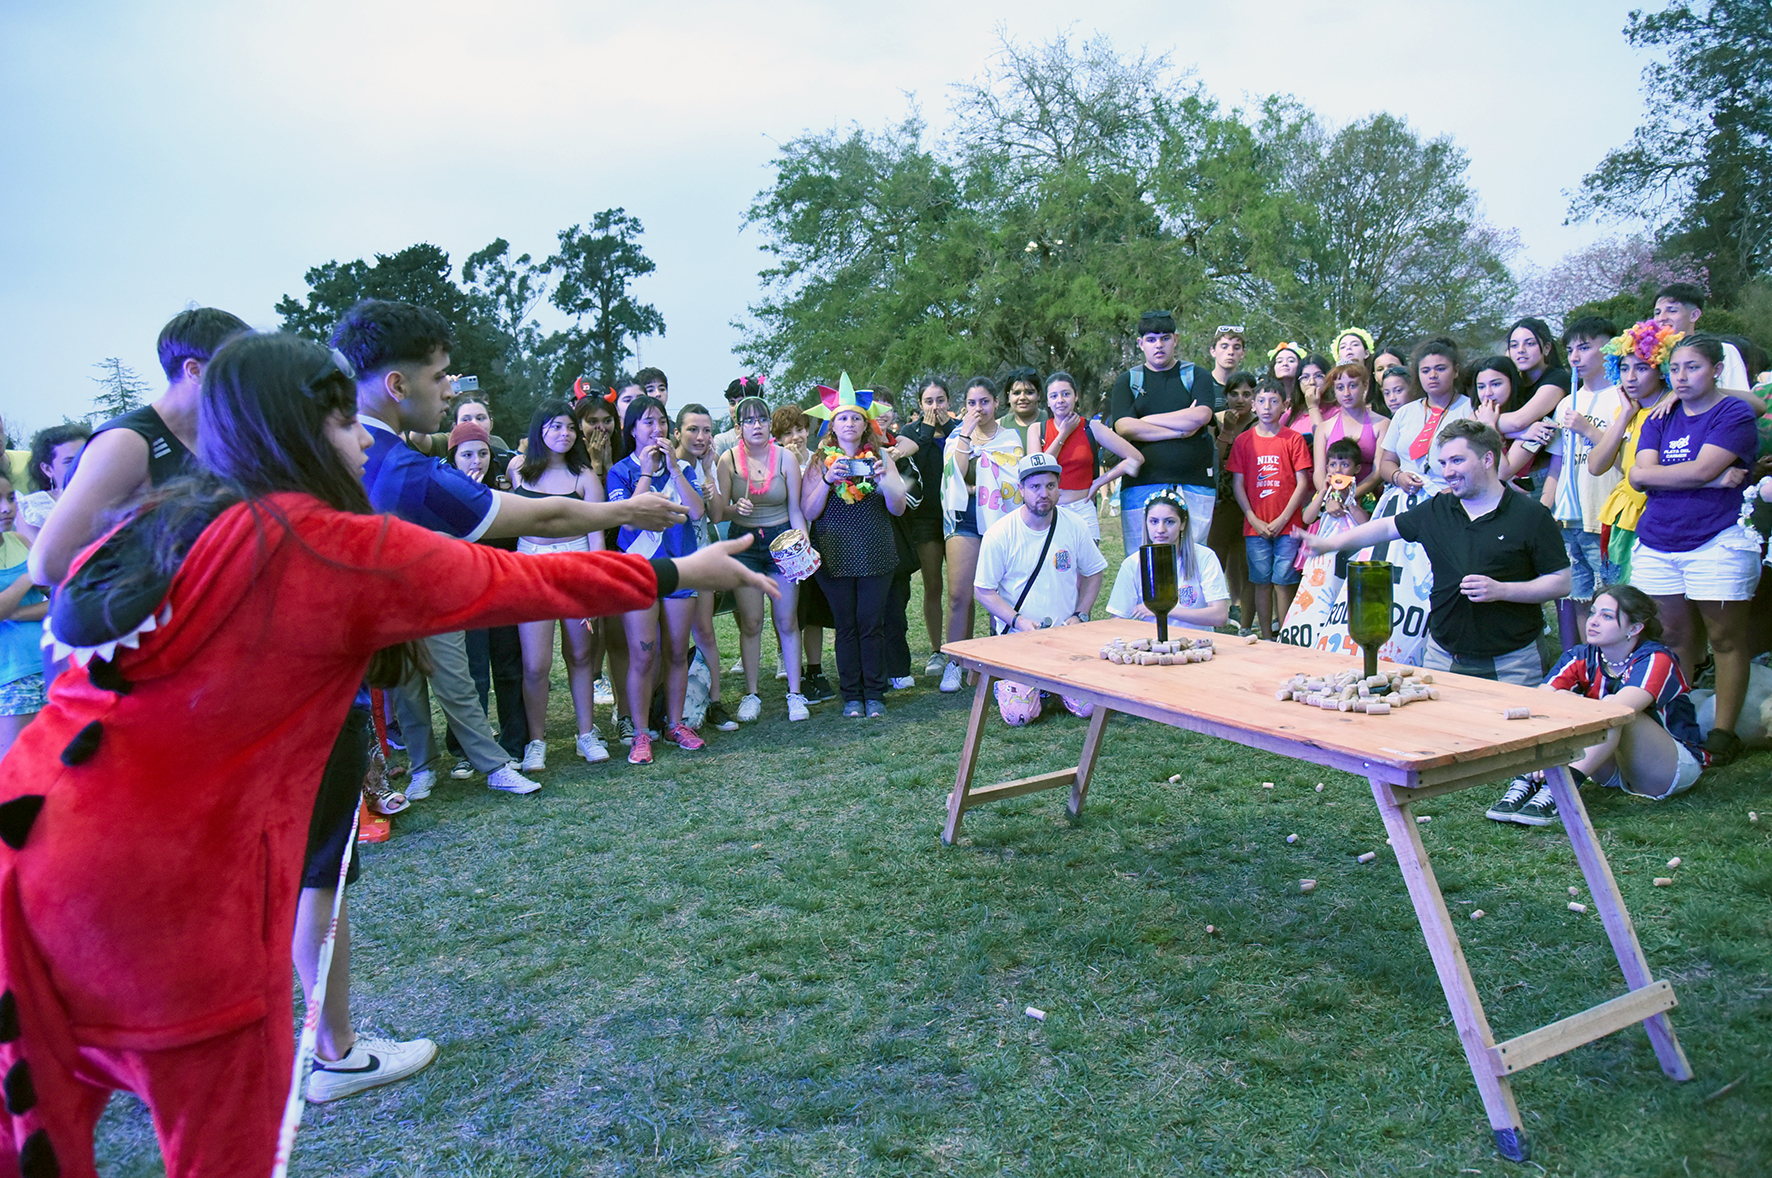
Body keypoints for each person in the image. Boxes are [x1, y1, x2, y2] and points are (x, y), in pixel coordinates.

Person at [0, 331, 774, 1178]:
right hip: (162, 900)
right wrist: (674, 574)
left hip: (24, 859)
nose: (364, 438)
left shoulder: (153, 520)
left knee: (36, 1136)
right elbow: (519, 583)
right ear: (293, 432)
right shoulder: (328, 546)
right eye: (342, 424)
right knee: (218, 1142)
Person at [1310, 419, 1571, 683]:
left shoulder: (1530, 515)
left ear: (1488, 459)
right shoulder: (1439, 509)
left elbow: (1561, 583)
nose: (1447, 472)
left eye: (1457, 461)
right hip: (1441, 657)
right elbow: (1386, 528)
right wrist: (1329, 544)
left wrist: (1503, 590)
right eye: (1443, 463)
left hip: (1514, 662)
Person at [29, 308, 249, 585]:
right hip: (128, 621)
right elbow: (47, 563)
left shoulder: (220, 437)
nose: (250, 382)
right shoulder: (126, 442)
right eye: (241, 369)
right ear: (195, 370)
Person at [1627, 335, 1761, 765]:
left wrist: (1684, 475)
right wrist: (1704, 478)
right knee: (1672, 636)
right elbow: (1635, 476)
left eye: (1693, 367)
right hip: (1659, 538)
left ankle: (1723, 733)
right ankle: (1678, 726)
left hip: (1717, 537)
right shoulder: (1660, 415)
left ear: (1717, 369)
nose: (1681, 377)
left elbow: (1695, 466)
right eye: (1675, 369)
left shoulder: (1733, 412)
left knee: (1724, 638)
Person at [1483, 584, 1710, 827]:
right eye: (1592, 613)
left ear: (1634, 628)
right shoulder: (1581, 654)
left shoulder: (1656, 658)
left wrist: (1568, 701)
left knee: (1613, 713)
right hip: (1612, 768)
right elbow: (1541, 701)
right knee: (1553, 710)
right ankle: (1526, 782)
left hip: (1668, 767)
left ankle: (1560, 790)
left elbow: (1616, 712)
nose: (1593, 621)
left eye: (1607, 616)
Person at [801, 376, 910, 717]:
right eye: (843, 418)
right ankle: (851, 695)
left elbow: (898, 507)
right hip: (834, 555)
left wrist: (882, 480)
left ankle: (874, 693)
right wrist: (827, 481)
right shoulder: (819, 461)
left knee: (871, 623)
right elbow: (808, 511)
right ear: (832, 425)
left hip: (875, 552)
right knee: (846, 626)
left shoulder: (880, 457)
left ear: (866, 425)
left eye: (856, 418)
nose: (850, 423)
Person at [509, 401, 609, 769]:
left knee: (581, 654)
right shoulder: (518, 470)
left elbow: (597, 533)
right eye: (554, 427)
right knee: (535, 664)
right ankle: (536, 741)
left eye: (569, 427)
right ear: (539, 431)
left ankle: (586, 734)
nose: (564, 434)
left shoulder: (585, 476)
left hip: (577, 566)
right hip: (531, 568)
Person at [974, 452, 1108, 725]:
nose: (1043, 494)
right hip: (1018, 640)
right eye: (1034, 487)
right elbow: (983, 590)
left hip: (1066, 640)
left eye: (1050, 486)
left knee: (1089, 708)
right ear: (1021, 489)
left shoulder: (1074, 525)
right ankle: (1016, 684)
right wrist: (1017, 621)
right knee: (1019, 716)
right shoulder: (1000, 534)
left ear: (1059, 488)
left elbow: (1094, 572)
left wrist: (1080, 615)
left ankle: (1054, 687)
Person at [607, 396, 706, 761]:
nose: (657, 429)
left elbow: (696, 511)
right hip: (639, 571)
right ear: (632, 430)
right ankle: (640, 732)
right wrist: (647, 472)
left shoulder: (682, 466)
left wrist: (676, 470)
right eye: (648, 423)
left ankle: (676, 723)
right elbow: (630, 519)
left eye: (662, 422)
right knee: (643, 653)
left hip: (680, 568)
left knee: (678, 650)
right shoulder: (621, 471)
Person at [718, 395, 812, 722]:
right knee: (751, 621)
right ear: (738, 426)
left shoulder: (785, 458)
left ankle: (796, 694)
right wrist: (733, 509)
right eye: (749, 420)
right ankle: (751, 693)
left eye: (761, 419)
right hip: (744, 545)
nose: (756, 425)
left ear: (768, 424)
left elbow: (795, 509)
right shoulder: (727, 460)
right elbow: (718, 513)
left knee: (786, 619)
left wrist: (804, 545)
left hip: (782, 540)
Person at [938, 377, 1024, 692]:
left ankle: (998, 663)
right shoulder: (957, 437)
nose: (979, 409)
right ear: (965, 407)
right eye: (972, 403)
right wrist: (964, 433)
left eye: (984, 402)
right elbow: (954, 475)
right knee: (960, 594)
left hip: (1002, 519)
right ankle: (955, 662)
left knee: (998, 592)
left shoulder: (1009, 438)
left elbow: (1013, 481)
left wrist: (977, 486)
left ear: (996, 403)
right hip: (965, 520)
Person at [446, 421, 525, 765]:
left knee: (508, 669)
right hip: (467, 597)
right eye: (466, 455)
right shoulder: (442, 496)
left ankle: (513, 744)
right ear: (453, 459)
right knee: (473, 673)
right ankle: (466, 750)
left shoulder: (501, 495)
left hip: (505, 594)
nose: (475, 461)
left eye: (482, 453)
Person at [1540, 317, 1625, 632]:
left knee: (1612, 600)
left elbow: (1626, 461)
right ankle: (1587, 667)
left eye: (1585, 347)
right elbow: (1558, 463)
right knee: (1579, 598)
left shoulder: (1622, 398)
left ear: (1609, 349)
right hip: (1569, 520)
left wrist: (1588, 429)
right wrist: (1548, 506)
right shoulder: (1565, 404)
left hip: (1606, 518)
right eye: (1571, 349)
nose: (1575, 356)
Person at [1109, 310, 1214, 555]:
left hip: (1194, 482)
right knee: (1143, 560)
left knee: (1192, 558)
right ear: (1140, 343)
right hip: (1141, 484)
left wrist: (1145, 421)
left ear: (1175, 339)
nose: (1159, 345)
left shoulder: (1196, 375)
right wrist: (1180, 430)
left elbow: (1201, 416)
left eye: (1165, 338)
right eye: (1152, 339)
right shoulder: (1128, 381)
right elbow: (1124, 427)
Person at [1591, 320, 1683, 583]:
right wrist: (1624, 418)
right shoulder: (1624, 412)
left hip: (1657, 515)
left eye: (1642, 368)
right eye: (1623, 368)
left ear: (1662, 369)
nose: (1630, 377)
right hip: (1620, 516)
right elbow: (1596, 466)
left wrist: (1677, 393)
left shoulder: (1676, 410)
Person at [1229, 383, 1314, 638]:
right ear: (1253, 405)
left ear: (1284, 405)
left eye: (1274, 401)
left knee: (1283, 582)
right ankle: (1266, 636)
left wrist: (1283, 518)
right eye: (1262, 401)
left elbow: (1302, 483)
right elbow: (1238, 484)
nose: (1267, 407)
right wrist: (1252, 518)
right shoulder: (1244, 441)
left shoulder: (1293, 439)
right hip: (1255, 527)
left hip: (1288, 526)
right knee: (1261, 582)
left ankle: (1285, 634)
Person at [676, 401, 735, 730]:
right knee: (669, 639)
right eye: (692, 429)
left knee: (705, 632)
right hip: (669, 560)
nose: (700, 436)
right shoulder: (665, 465)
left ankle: (713, 702)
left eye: (707, 430)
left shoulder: (705, 465)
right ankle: (671, 707)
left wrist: (710, 470)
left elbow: (715, 514)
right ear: (677, 432)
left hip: (700, 557)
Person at [1037, 371, 1142, 543]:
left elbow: (1135, 458)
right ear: (1047, 401)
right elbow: (1041, 468)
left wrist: (1100, 482)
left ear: (1076, 396)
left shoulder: (1091, 427)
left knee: (1087, 569)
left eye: (1066, 394)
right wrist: (1063, 435)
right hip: (1050, 511)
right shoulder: (1038, 430)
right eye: (1054, 396)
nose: (1060, 400)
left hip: (1083, 509)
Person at [1104, 490, 1230, 630]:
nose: (1160, 529)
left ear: (1183, 524)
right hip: (1150, 646)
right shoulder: (1133, 564)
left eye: (1169, 522)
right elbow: (1118, 619)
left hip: (1196, 645)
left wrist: (1163, 611)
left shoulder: (1204, 557)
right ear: (1146, 523)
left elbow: (1220, 616)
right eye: (1154, 521)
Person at [901, 380, 955, 675]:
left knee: (961, 590)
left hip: (957, 516)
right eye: (929, 401)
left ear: (949, 401)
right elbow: (912, 465)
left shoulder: (958, 429)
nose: (935, 407)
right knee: (933, 585)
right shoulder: (910, 433)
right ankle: (936, 650)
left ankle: (961, 648)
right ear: (920, 404)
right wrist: (925, 432)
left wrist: (948, 429)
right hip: (924, 518)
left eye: (941, 400)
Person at [1377, 339, 1474, 497]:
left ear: (1456, 371)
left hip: (1452, 498)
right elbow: (1387, 462)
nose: (1433, 375)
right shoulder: (1405, 412)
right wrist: (1398, 477)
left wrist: (1448, 494)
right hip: (1406, 498)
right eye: (1425, 370)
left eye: (1440, 369)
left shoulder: (1470, 409)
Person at [0, 476, 46, 758]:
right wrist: (28, 577)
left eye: (10, 498)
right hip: (9, 677)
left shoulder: (18, 540)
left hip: (47, 664)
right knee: (13, 770)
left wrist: (14, 612)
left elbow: (60, 601)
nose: (6, 508)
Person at [1209, 373, 1258, 634]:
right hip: (1221, 498)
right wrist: (1227, 431)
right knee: (1216, 552)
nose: (1239, 400)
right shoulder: (1217, 422)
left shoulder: (1259, 423)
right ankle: (1215, 606)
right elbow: (1215, 461)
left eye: (1246, 394)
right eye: (1233, 394)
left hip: (1250, 501)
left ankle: (1241, 610)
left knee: (1243, 557)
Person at [1652, 283, 1754, 393]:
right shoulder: (1651, 355)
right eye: (1657, 313)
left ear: (1694, 315)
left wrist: (1681, 393)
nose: (1661, 318)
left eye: (1672, 311)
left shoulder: (1724, 351)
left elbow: (1745, 401)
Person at [1467, 356, 1553, 482]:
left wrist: (1489, 426)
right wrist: (1520, 433)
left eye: (1496, 384)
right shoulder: (1479, 414)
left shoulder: (1530, 421)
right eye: (1481, 387)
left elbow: (1502, 473)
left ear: (1512, 383)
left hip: (1520, 494)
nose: (1487, 393)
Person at [1314, 362, 1391, 501]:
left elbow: (1378, 471)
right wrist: (1330, 497)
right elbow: (1319, 472)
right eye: (1340, 387)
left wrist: (1349, 497)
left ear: (1365, 386)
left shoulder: (1382, 424)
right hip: (1332, 500)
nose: (1346, 393)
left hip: (1369, 500)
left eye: (1353, 385)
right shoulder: (1324, 428)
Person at [15, 424, 90, 543]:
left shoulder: (112, 496)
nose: (81, 466)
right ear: (48, 469)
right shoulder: (33, 509)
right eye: (70, 462)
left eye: (86, 458)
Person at [1500, 317, 1571, 434]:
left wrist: (1486, 421)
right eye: (1514, 345)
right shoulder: (1511, 381)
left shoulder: (1559, 379)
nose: (1521, 350)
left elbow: (1518, 421)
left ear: (1546, 348)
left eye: (1530, 343)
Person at [1202, 325, 1246, 412]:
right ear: (1213, 351)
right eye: (1224, 347)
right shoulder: (1201, 384)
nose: (1230, 352)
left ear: (1243, 353)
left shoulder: (1248, 387)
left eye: (1236, 348)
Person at [999, 367, 1045, 434]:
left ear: (1039, 395)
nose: (1022, 397)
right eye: (1016, 393)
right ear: (1009, 396)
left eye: (1029, 392)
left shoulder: (1052, 420)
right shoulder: (999, 426)